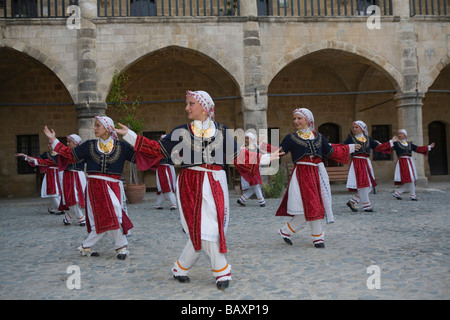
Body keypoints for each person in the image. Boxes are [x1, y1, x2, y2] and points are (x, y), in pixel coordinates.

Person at [116, 90, 281, 289]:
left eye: (191, 103)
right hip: (190, 184)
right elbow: (157, 149)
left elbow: (238, 155)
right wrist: (131, 136)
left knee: (208, 230)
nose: (187, 108)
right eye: (187, 104)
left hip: (216, 183)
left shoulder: (221, 130)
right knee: (204, 230)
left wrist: (263, 159)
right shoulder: (181, 131)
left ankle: (180, 267)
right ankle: (222, 271)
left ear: (204, 106)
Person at [43, 115, 135, 260]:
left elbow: (140, 155)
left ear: (108, 128)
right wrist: (55, 141)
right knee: (113, 214)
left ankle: (87, 246)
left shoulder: (122, 147)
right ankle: (120, 246)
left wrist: (129, 135)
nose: (94, 128)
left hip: (113, 186)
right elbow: (70, 154)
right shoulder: (89, 145)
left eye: (98, 125)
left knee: (110, 216)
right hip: (95, 186)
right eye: (95, 125)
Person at [276, 108, 360, 248]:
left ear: (308, 120)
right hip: (302, 175)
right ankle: (317, 238)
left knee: (312, 206)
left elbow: (332, 151)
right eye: (294, 119)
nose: (296, 121)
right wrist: (259, 149)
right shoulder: (290, 138)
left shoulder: (319, 137)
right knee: (312, 206)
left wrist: (350, 148)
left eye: (299, 118)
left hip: (316, 175)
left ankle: (287, 232)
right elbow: (278, 152)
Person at [343, 120, 388, 213]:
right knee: (364, 185)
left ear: (362, 128)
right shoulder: (351, 139)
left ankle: (352, 201)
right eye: (354, 127)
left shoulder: (368, 139)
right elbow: (342, 147)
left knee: (369, 186)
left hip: (366, 162)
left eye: (356, 127)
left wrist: (391, 142)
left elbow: (378, 147)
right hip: (357, 162)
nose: (354, 129)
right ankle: (367, 206)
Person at [15, 141, 64, 215]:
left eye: (51, 144)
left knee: (58, 193)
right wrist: (24, 155)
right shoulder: (46, 154)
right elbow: (37, 159)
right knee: (54, 192)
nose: (49, 145)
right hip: (50, 175)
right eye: (48, 144)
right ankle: (60, 209)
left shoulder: (62, 154)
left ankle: (51, 207)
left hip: (60, 174)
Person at [387, 129, 435, 201]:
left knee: (411, 179)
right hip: (402, 162)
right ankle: (410, 195)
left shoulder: (409, 144)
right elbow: (388, 148)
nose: (399, 135)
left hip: (409, 162)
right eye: (398, 134)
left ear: (405, 135)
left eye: (401, 133)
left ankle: (400, 193)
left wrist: (428, 147)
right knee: (409, 179)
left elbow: (418, 148)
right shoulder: (396, 144)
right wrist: (380, 144)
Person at [58, 134, 87, 227]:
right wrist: (34, 160)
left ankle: (67, 218)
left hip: (79, 176)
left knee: (78, 198)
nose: (67, 143)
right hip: (68, 176)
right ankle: (82, 219)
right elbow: (52, 160)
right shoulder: (64, 153)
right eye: (67, 142)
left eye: (69, 142)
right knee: (72, 198)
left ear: (75, 143)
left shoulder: (83, 153)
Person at [237, 132, 266, 207]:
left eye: (248, 138)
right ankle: (261, 201)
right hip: (249, 169)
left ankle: (242, 199)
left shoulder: (255, 147)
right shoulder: (244, 148)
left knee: (256, 185)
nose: (246, 140)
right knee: (255, 184)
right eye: (245, 138)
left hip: (255, 168)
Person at [153, 135, 177, 210]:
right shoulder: (158, 148)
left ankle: (158, 204)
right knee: (167, 186)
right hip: (163, 168)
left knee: (167, 186)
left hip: (169, 167)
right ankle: (173, 203)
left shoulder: (172, 147)